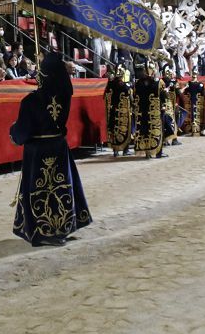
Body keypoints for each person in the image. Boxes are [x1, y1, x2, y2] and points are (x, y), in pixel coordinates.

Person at [10, 52, 92, 246]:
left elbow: (22, 130)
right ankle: (64, 225)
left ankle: (45, 231)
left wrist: (13, 132)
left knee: (43, 190)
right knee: (61, 186)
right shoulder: (65, 95)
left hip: (38, 150)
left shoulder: (30, 101)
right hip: (58, 146)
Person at [132, 65, 166, 159]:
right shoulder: (157, 82)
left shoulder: (138, 83)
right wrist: (164, 106)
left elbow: (135, 97)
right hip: (154, 111)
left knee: (144, 131)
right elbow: (164, 96)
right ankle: (158, 152)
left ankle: (147, 152)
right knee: (157, 131)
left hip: (142, 111)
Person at [104, 68, 136, 156]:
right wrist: (134, 105)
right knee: (126, 130)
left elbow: (106, 97)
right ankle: (125, 150)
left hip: (113, 110)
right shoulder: (125, 86)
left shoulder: (110, 84)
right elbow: (130, 97)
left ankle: (115, 151)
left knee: (115, 129)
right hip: (124, 112)